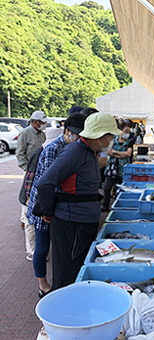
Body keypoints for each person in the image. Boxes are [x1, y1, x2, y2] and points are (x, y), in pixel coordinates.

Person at [37, 112, 121, 290]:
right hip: (70, 223)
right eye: (111, 136)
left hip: (82, 222)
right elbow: (45, 183)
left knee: (77, 270)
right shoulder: (75, 152)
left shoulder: (90, 152)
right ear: (99, 135)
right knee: (67, 273)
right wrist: (47, 212)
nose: (112, 139)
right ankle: (63, 312)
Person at [27, 113, 86, 298]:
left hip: (57, 205)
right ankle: (43, 286)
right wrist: (47, 210)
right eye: (74, 134)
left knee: (57, 246)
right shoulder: (54, 149)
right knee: (42, 246)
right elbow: (46, 184)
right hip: (44, 205)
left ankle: (58, 283)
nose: (76, 138)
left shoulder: (73, 148)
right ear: (67, 131)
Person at [16, 110, 48, 261]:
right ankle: (31, 250)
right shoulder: (25, 133)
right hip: (30, 173)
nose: (42, 125)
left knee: (34, 212)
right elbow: (19, 153)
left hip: (39, 172)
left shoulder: (42, 135)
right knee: (28, 214)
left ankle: (37, 248)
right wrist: (26, 168)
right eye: (41, 122)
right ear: (35, 121)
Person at [102, 121, 134, 211]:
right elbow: (108, 151)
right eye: (126, 131)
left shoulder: (129, 142)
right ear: (120, 131)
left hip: (123, 170)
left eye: (128, 131)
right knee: (107, 188)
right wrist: (121, 155)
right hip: (111, 168)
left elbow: (128, 154)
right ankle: (105, 206)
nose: (127, 133)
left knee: (121, 189)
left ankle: (119, 207)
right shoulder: (113, 140)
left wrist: (114, 153)